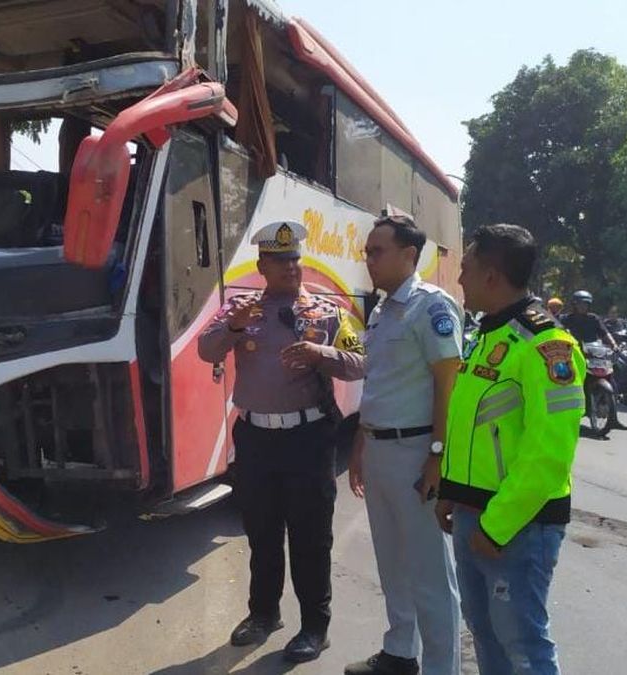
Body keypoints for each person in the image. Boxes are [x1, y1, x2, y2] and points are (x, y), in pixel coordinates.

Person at [198, 221, 365, 663]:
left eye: (295, 258)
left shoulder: (327, 311)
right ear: (263, 265)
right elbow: (206, 350)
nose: (291, 267)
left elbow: (360, 362)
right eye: (281, 260)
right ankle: (263, 614)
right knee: (262, 531)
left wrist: (320, 354)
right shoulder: (240, 308)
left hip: (308, 439)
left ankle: (315, 625)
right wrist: (233, 328)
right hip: (255, 438)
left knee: (311, 536)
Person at [435, 224, 584, 675]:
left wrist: (497, 526)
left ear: (492, 276)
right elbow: (473, 427)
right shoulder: (490, 335)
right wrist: (450, 489)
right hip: (471, 514)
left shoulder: (547, 345)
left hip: (516, 527)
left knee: (524, 648)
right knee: (486, 636)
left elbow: (550, 454)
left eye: (465, 268)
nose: (458, 279)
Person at [345, 215, 462, 675]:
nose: (368, 259)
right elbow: (379, 382)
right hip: (379, 449)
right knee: (391, 559)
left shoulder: (430, 307)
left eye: (377, 251)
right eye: (367, 251)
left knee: (432, 574)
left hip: (416, 453)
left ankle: (441, 668)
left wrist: (437, 457)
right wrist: (360, 443)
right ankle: (399, 652)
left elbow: (448, 385)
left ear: (409, 255)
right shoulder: (383, 308)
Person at [561, 291, 627, 431]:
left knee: (611, 378)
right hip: (574, 355)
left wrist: (614, 345)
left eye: (586, 304)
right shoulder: (566, 319)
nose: (583, 306)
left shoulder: (594, 318)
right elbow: (559, 332)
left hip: (594, 354)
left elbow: (605, 333)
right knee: (569, 380)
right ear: (574, 304)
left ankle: (614, 418)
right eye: (580, 303)